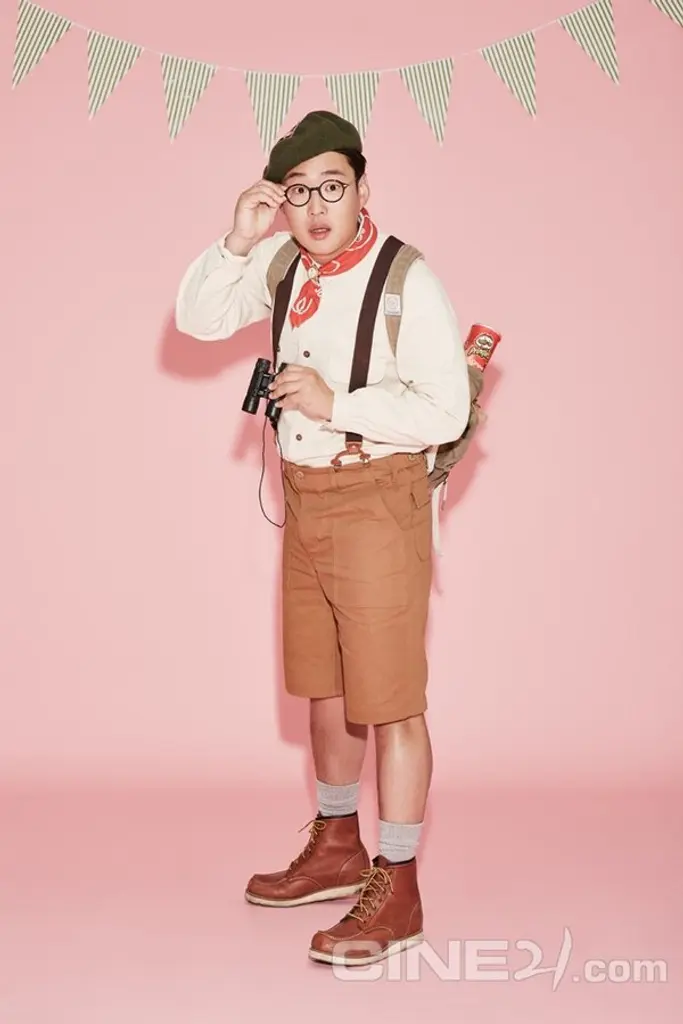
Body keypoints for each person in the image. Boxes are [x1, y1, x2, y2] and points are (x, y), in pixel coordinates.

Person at [175, 110, 471, 967]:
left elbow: (445, 410)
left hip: (377, 498)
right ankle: (338, 844)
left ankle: (399, 884)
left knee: (391, 698)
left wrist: (334, 403)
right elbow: (197, 319)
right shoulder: (280, 264)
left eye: (330, 188)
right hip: (305, 499)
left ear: (362, 190)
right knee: (325, 686)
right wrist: (238, 237)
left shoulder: (407, 278)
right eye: (297, 192)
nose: (312, 208)